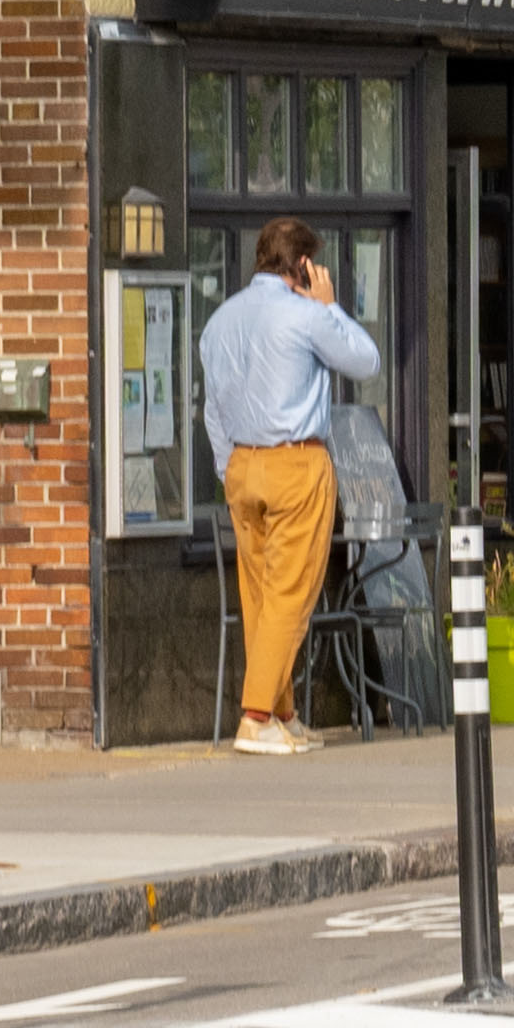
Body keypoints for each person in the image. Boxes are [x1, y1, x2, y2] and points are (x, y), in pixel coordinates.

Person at [199, 219, 384, 752]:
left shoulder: (221, 321)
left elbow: (211, 409)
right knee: (290, 593)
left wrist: (227, 465)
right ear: (303, 266)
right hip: (297, 462)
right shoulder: (307, 315)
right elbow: (365, 361)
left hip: (240, 465)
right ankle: (256, 716)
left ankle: (282, 711)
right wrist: (329, 305)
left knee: (258, 595)